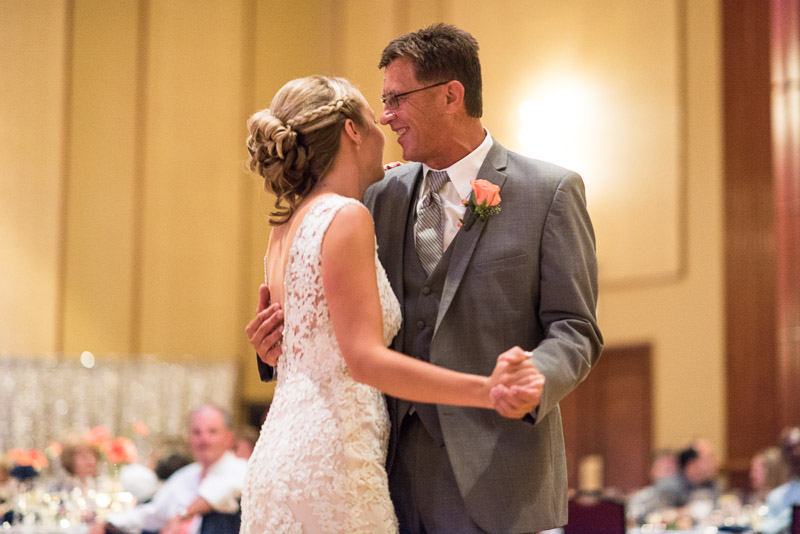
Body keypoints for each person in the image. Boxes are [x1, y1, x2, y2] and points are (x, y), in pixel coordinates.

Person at [247, 23, 603, 533]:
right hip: (384, 476)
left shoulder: (547, 193)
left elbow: (575, 327)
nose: (386, 116)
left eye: (397, 99)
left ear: (451, 95)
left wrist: (534, 379)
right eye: (381, 103)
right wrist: (272, 348)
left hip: (499, 475)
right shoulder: (373, 195)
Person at [90, 405, 247, 534]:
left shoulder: (242, 469)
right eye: (197, 432)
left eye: (212, 432)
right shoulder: (186, 475)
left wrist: (180, 517)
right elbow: (153, 513)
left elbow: (219, 491)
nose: (203, 440)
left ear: (229, 437)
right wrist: (108, 523)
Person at [651, 438, 720, 511]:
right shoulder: (668, 487)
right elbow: (655, 516)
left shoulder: (708, 483)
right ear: (692, 463)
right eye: (710, 458)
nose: (716, 463)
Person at [760, 426, 800, 534]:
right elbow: (765, 529)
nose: (796, 453)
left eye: (798, 446)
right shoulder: (776, 497)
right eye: (789, 449)